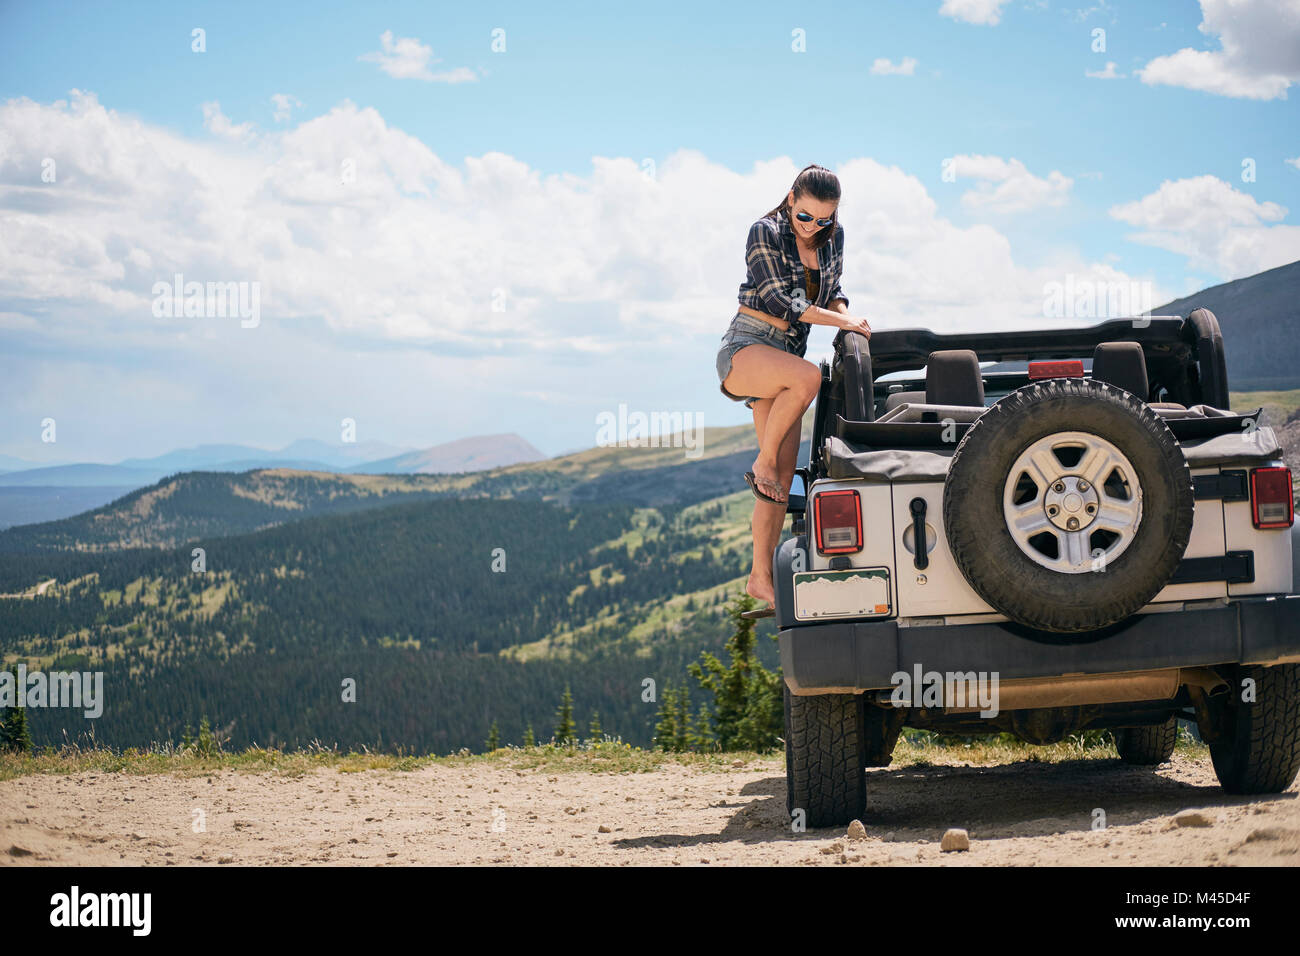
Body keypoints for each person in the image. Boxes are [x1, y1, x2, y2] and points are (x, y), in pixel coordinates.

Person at [715, 164, 871, 608]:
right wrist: (840, 318)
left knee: (782, 479)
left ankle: (759, 578)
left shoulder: (832, 238)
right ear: (790, 199)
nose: (814, 228)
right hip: (748, 345)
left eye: (825, 220)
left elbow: (834, 289)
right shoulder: (763, 231)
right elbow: (782, 302)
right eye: (805, 217)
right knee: (809, 378)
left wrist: (849, 324)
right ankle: (761, 462)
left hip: (784, 360)